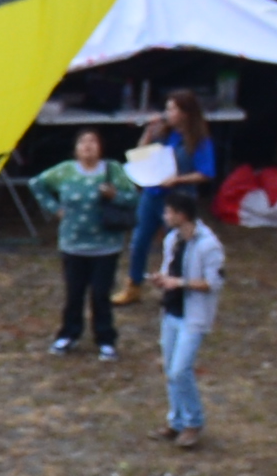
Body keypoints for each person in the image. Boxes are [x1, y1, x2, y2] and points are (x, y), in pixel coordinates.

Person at [32, 131, 137, 360]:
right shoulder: (65, 171)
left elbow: (132, 198)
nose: (88, 146)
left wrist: (114, 195)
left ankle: (106, 339)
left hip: (106, 245)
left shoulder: (113, 170)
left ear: (100, 147)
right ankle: (69, 334)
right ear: (76, 148)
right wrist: (53, 208)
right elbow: (36, 184)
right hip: (73, 244)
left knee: (100, 294)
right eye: (83, 142)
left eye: (93, 142)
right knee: (74, 293)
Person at [148, 196, 227, 447]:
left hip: (194, 316)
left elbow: (213, 283)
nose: (166, 216)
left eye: (170, 212)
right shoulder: (173, 240)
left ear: (182, 215)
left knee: (181, 369)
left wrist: (179, 283)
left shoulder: (209, 246)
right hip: (172, 311)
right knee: (171, 369)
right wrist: (163, 279)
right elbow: (170, 268)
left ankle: (193, 421)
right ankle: (177, 420)